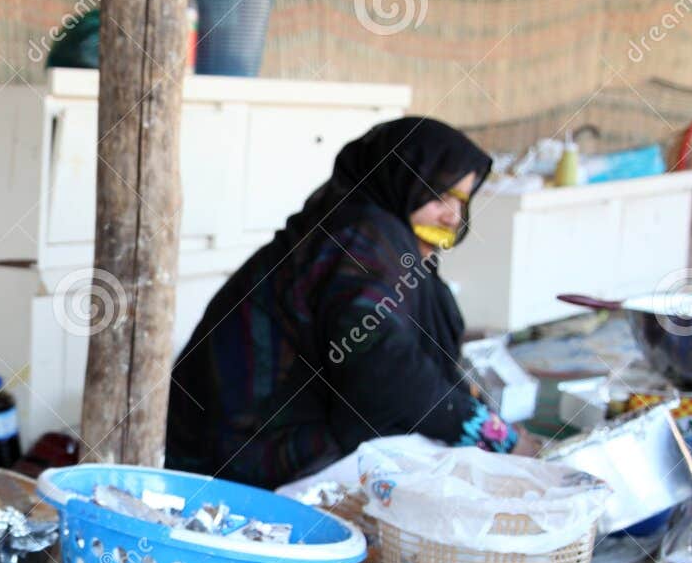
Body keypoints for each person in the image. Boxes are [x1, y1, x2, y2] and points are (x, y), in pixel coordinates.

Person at [166, 116, 537, 490]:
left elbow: (415, 368)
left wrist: (483, 423)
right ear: (400, 180)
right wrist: (495, 436)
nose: (452, 217)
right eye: (439, 196)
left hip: (248, 437)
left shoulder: (377, 237)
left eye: (462, 201)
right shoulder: (359, 242)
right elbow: (387, 370)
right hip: (242, 452)